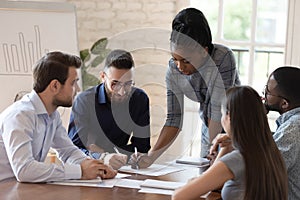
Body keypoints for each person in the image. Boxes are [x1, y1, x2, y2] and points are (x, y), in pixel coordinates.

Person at [131, 7, 240, 168]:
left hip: (235, 128)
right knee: (206, 182)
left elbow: (218, 111)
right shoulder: (173, 70)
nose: (179, 66)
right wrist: (150, 157)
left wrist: (212, 150)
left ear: (204, 51)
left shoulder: (222, 58)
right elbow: (173, 119)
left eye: (186, 61)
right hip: (209, 127)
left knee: (228, 184)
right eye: (175, 58)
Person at [0, 51, 116, 182]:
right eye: (73, 83)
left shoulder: (52, 115)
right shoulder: (20, 115)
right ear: (55, 85)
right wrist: (80, 171)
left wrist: (97, 168)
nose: (78, 89)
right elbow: (24, 170)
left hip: (21, 189)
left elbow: (68, 151)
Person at [172, 86, 288, 200]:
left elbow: (179, 196)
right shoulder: (270, 153)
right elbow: (215, 183)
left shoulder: (237, 159)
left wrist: (193, 182)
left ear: (230, 116)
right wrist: (226, 147)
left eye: (222, 114)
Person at [68, 49, 151, 170]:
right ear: (103, 77)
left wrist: (106, 152)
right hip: (90, 170)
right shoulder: (84, 101)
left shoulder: (140, 99)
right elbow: (73, 149)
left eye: (128, 84)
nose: (122, 92)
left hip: (122, 171)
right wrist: (101, 157)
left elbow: (142, 146)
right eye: (115, 84)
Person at [263, 66, 300, 200]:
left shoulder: (292, 129)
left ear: (284, 103)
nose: (263, 96)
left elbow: (262, 171)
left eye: (267, 91)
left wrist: (254, 119)